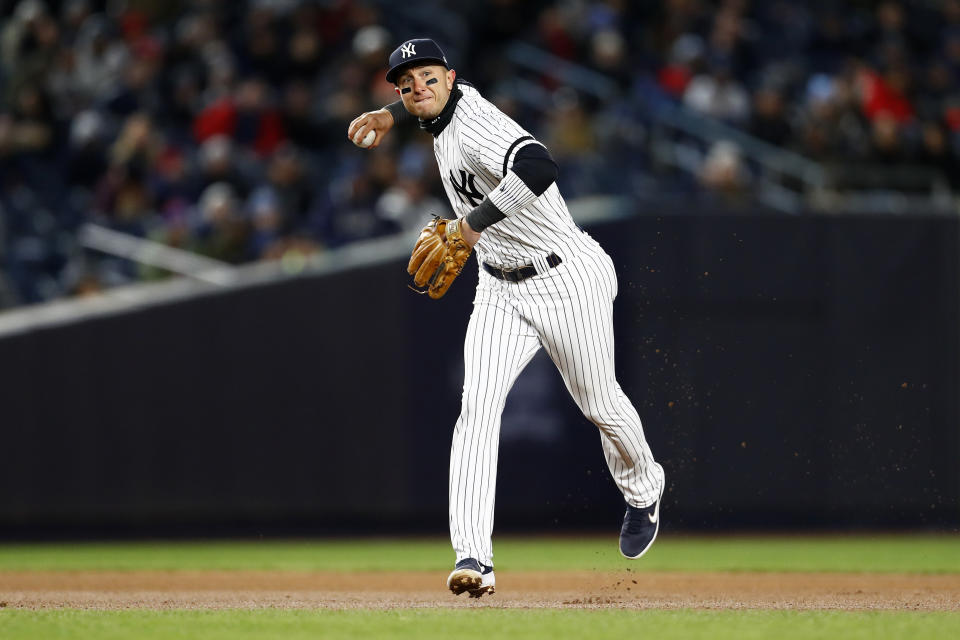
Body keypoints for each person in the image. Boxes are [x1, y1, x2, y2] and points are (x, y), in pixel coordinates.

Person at [348, 38, 665, 598]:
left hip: (565, 276)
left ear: (451, 76)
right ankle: (473, 556)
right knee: (477, 408)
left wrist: (469, 226)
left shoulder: (474, 122)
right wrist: (389, 114)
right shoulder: (436, 106)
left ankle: (644, 488)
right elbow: (423, 102)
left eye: (426, 76)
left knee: (600, 405)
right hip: (499, 286)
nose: (416, 86)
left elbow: (540, 165)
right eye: (405, 82)